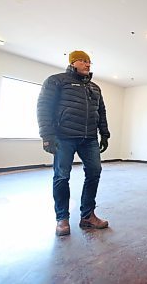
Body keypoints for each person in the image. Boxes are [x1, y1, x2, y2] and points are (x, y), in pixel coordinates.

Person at [37, 50, 110, 236]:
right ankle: (62, 218)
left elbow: (101, 112)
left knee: (94, 172)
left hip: (89, 138)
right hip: (64, 137)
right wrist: (47, 135)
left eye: (89, 62)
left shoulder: (94, 87)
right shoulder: (57, 80)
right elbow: (44, 107)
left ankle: (88, 216)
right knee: (62, 176)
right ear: (72, 62)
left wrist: (105, 133)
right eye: (83, 61)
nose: (88, 64)